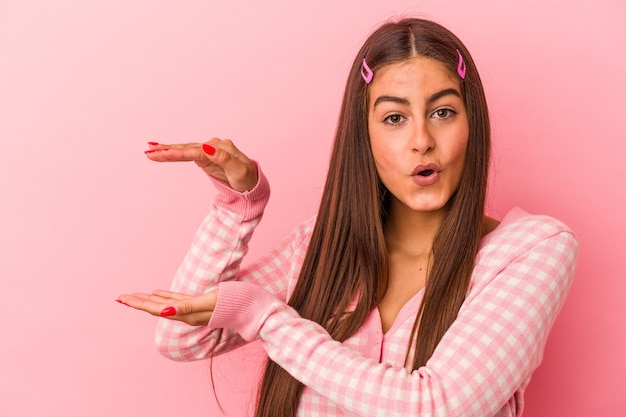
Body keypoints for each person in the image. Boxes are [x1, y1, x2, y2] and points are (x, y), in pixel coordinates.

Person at [117, 17, 578, 417]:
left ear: (471, 123)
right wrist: (238, 207)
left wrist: (267, 318)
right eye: (394, 118)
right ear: (366, 136)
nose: (421, 139)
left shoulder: (530, 252)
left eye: (442, 112)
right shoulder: (321, 247)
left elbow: (439, 407)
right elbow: (181, 339)